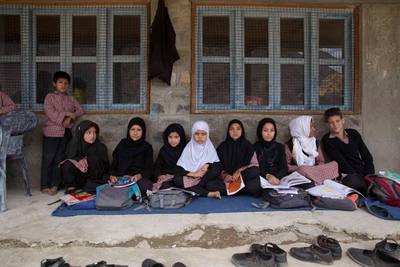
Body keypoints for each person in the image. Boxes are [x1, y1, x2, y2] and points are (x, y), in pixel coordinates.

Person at [40, 71, 84, 196]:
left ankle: (55, 185)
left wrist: (70, 118)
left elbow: (80, 110)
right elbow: (51, 114)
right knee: (48, 159)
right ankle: (44, 185)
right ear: (54, 83)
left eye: (66, 83)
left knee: (59, 159)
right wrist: (67, 113)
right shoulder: (50, 97)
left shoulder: (71, 99)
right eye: (60, 82)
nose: (63, 85)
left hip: (65, 133)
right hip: (51, 133)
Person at [322, 108, 374, 195]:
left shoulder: (354, 134)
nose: (335, 125)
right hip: (346, 174)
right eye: (331, 122)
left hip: (362, 171)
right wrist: (358, 177)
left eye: (337, 121)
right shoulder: (327, 140)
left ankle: (368, 188)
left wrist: (369, 177)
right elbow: (341, 162)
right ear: (327, 125)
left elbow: (367, 157)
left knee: (377, 182)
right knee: (352, 181)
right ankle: (368, 190)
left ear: (343, 121)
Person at [173, 120, 223, 199]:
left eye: (203, 134)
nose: (200, 137)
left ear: (207, 135)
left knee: (215, 169)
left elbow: (218, 166)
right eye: (196, 134)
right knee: (176, 179)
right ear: (193, 134)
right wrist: (193, 174)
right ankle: (207, 193)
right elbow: (177, 169)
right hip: (191, 178)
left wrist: (207, 165)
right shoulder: (188, 148)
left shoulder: (209, 148)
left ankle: (196, 188)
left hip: (204, 178)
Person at [285, 116, 338, 185]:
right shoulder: (290, 145)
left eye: (313, 126)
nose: (314, 129)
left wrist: (314, 169)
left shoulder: (314, 142)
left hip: (315, 170)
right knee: (304, 169)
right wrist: (301, 168)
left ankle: (316, 181)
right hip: (300, 172)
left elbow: (321, 161)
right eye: (310, 127)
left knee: (334, 164)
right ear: (302, 128)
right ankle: (320, 182)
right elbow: (286, 165)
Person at [61, 120, 110, 194]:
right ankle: (71, 186)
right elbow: (70, 156)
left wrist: (89, 160)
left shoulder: (100, 147)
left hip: (95, 178)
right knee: (67, 163)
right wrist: (78, 159)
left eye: (94, 132)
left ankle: (93, 185)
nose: (92, 136)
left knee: (93, 158)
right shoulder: (74, 144)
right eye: (88, 132)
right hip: (80, 178)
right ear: (81, 133)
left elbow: (105, 166)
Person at [108, 117, 154, 195]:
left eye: (138, 130)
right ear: (128, 130)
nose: (135, 133)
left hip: (137, 179)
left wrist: (139, 176)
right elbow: (114, 165)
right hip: (121, 177)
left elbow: (149, 169)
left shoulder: (147, 147)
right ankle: (132, 193)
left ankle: (124, 192)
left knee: (146, 186)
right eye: (132, 129)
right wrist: (112, 176)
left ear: (143, 131)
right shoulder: (122, 145)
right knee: (100, 183)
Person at [217, 119, 261, 197]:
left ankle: (234, 189)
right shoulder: (222, 147)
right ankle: (238, 189)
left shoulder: (248, 146)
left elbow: (254, 164)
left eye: (238, 129)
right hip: (227, 180)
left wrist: (239, 171)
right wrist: (225, 176)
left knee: (255, 171)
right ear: (228, 131)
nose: (235, 131)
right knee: (210, 185)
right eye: (232, 129)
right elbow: (217, 166)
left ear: (242, 131)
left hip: (242, 177)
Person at [253, 118, 292, 202]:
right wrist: (268, 176)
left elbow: (284, 167)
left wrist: (277, 178)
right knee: (253, 185)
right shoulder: (255, 148)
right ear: (260, 131)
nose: (269, 133)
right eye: (265, 130)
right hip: (263, 178)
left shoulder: (280, 147)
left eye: (272, 130)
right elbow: (254, 168)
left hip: (278, 179)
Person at [152, 123, 187, 191]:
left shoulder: (186, 150)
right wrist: (159, 175)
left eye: (176, 137)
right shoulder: (164, 150)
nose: (173, 140)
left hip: (180, 177)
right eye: (170, 137)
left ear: (181, 137)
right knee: (164, 186)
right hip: (166, 177)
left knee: (180, 182)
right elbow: (158, 166)